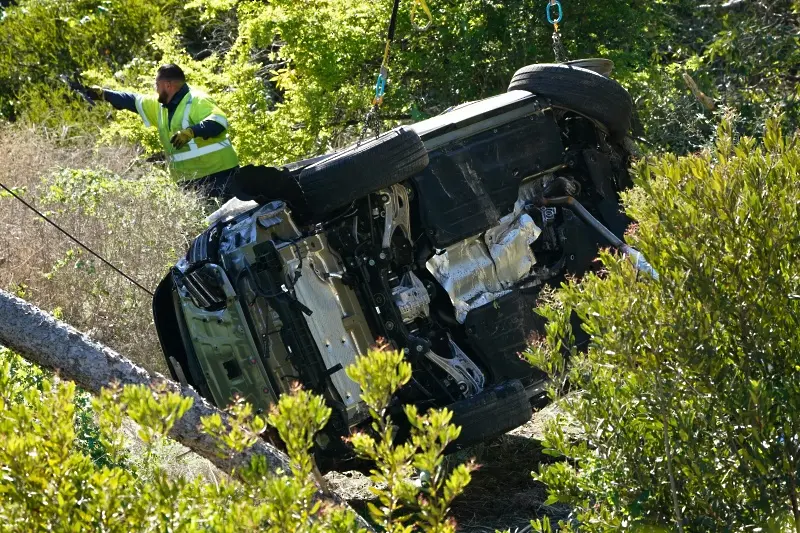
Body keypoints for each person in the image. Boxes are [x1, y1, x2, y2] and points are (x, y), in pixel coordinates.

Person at [86, 64, 239, 200]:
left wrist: (190, 132)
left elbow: (219, 122)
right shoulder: (160, 107)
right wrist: (103, 94)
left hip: (220, 175)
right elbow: (131, 100)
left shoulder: (197, 100)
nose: (155, 89)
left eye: (157, 84)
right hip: (189, 181)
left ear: (167, 85)